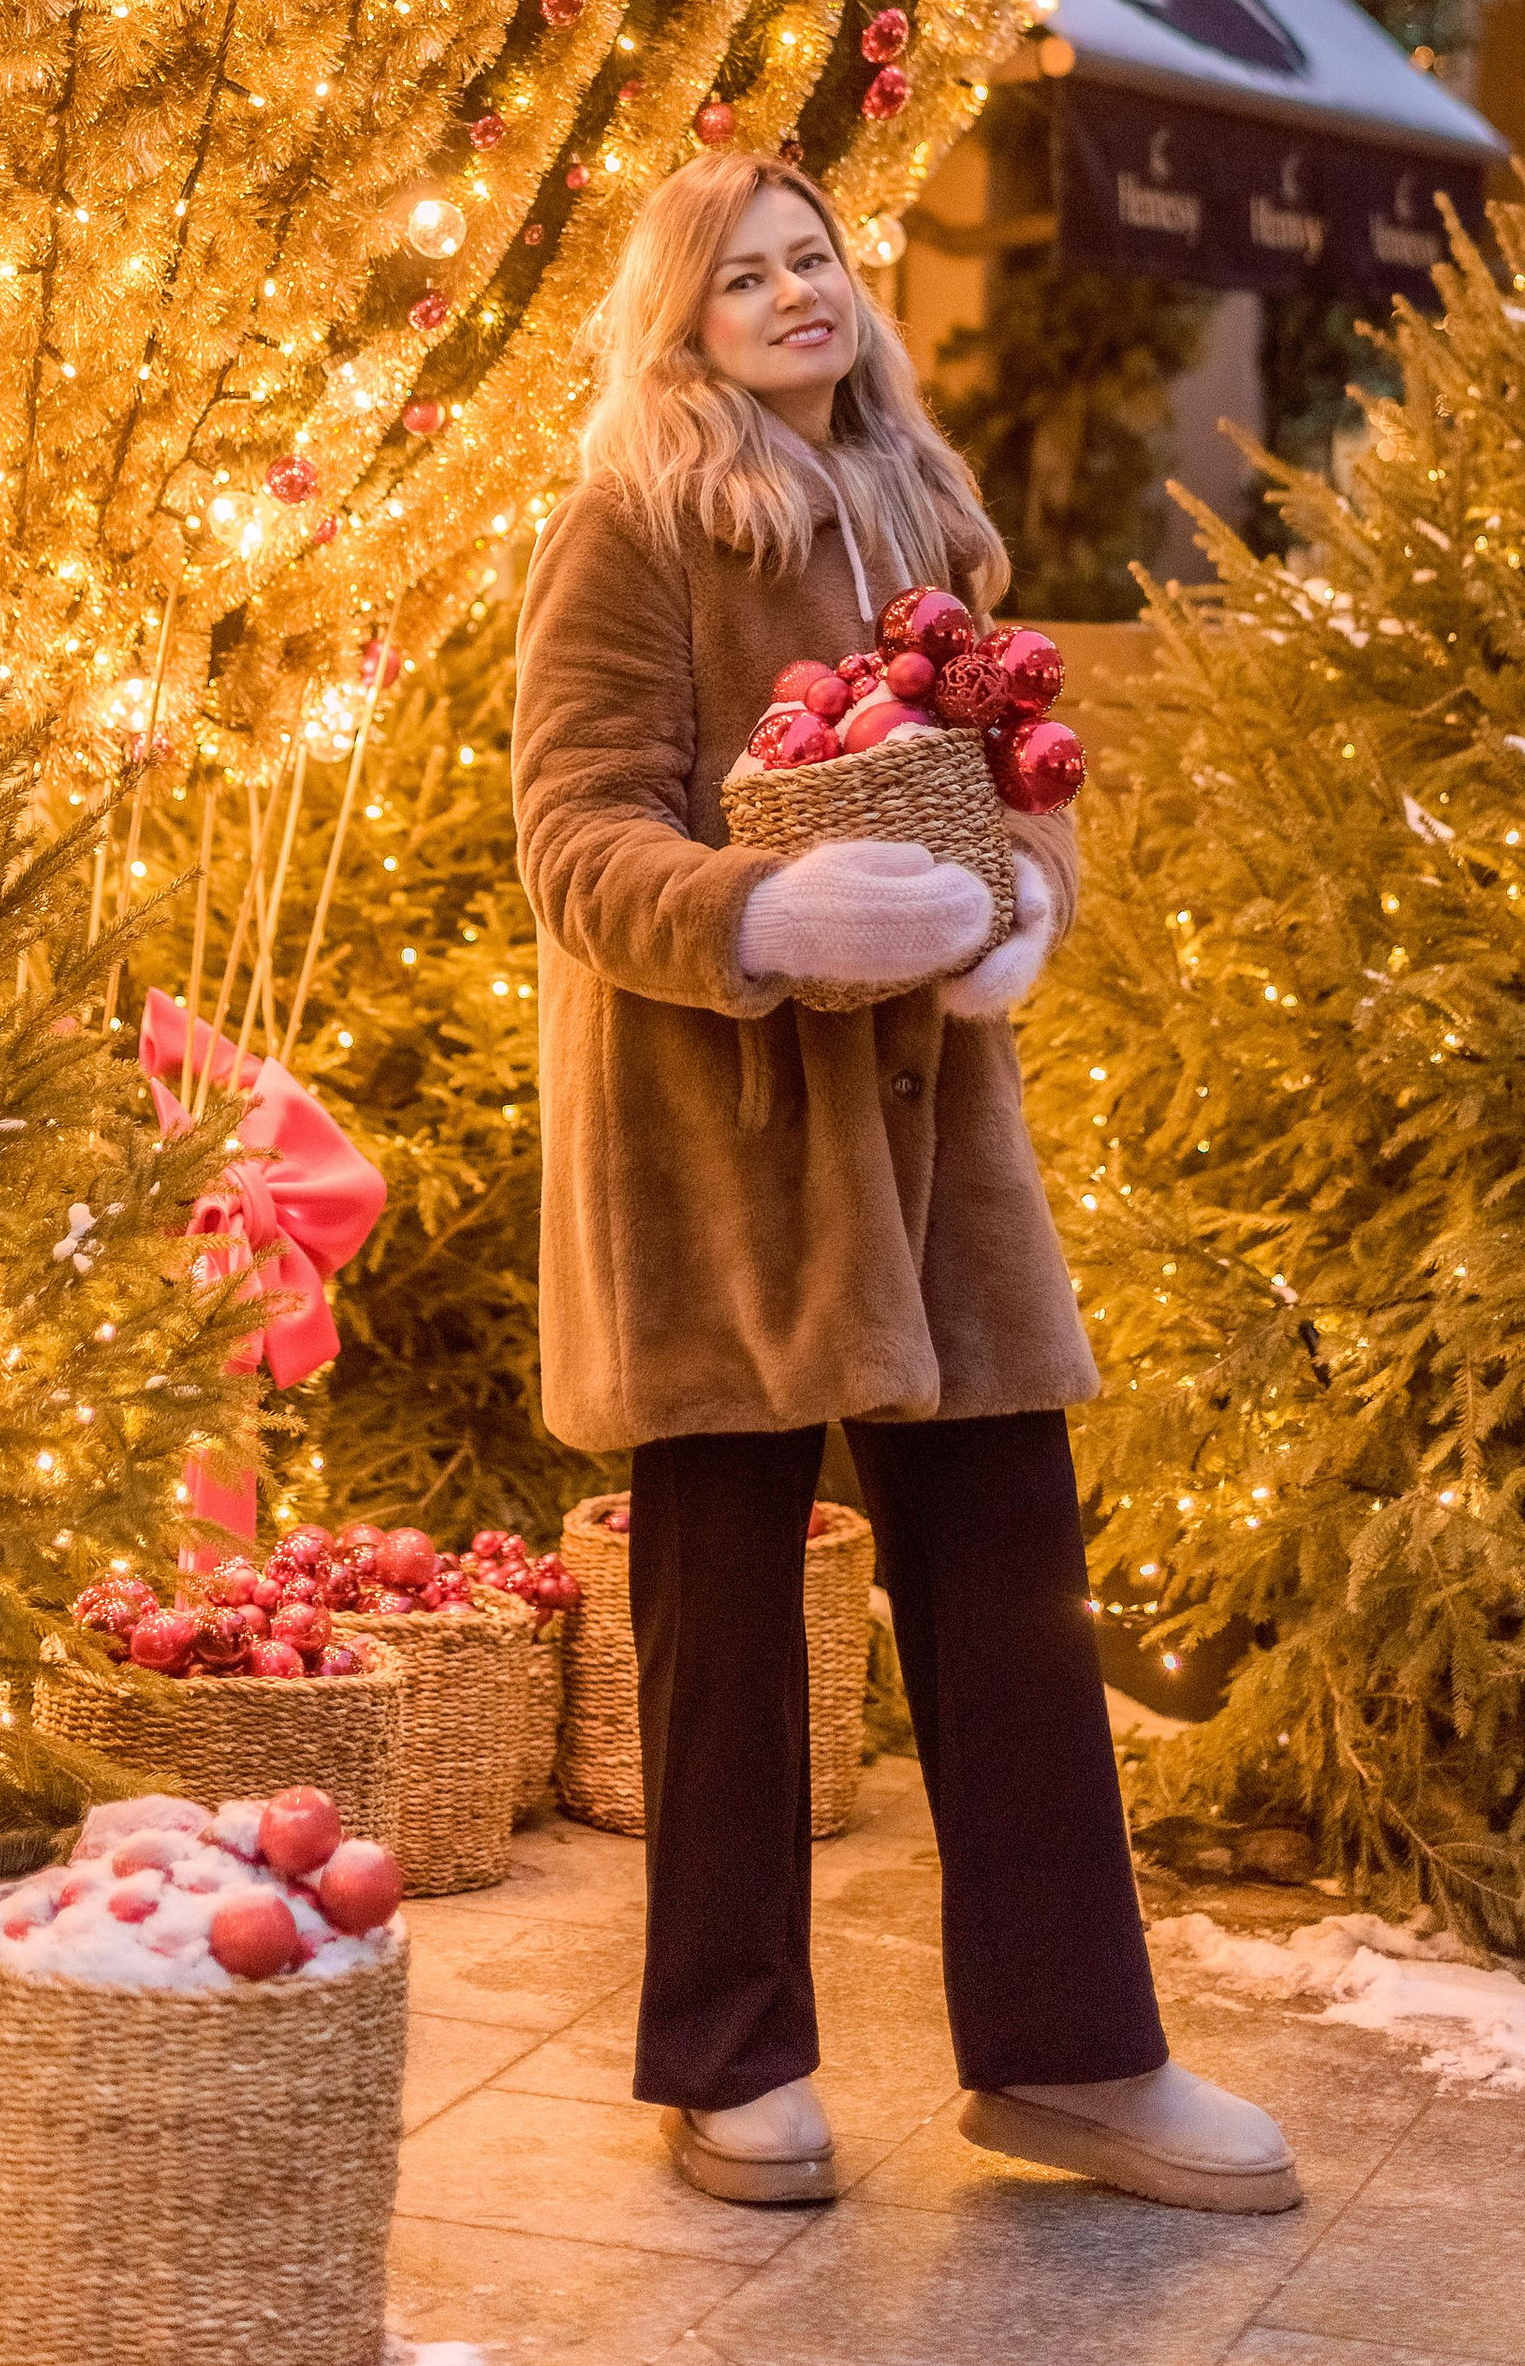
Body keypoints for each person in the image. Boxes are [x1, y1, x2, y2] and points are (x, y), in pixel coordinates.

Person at [510, 150, 1297, 2218]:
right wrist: (760, 919)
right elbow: (572, 832)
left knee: (1008, 1579)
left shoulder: (929, 513)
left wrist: (1021, 906)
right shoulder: (629, 526)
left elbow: (1024, 771)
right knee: (719, 1613)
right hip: (719, 1150)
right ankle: (728, 2059)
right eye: (744, 274)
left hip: (931, 1146)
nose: (793, 294)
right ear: (676, 318)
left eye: (814, 257)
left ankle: (1070, 2057)